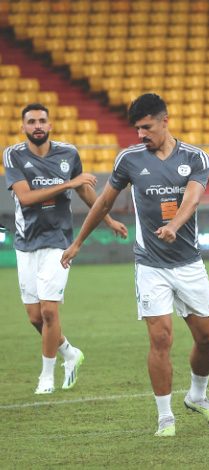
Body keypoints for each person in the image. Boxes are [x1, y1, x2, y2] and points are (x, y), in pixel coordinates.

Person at [60, 93, 209, 437]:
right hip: (150, 264)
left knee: (207, 337)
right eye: (136, 128)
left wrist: (175, 225)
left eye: (146, 127)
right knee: (161, 338)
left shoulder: (196, 158)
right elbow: (104, 202)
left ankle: (197, 395)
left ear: (164, 121)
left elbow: (193, 197)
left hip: (188, 262)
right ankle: (165, 416)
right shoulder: (129, 160)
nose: (140, 135)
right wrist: (77, 242)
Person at [3, 103, 127, 395]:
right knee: (35, 317)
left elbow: (84, 190)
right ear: (23, 127)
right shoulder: (13, 154)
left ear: (50, 125)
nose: (37, 126)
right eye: (31, 121)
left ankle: (46, 377)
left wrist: (107, 219)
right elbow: (26, 198)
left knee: (48, 312)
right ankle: (70, 352)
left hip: (58, 241)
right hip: (26, 242)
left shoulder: (68, 153)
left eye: (42, 121)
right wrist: (68, 183)